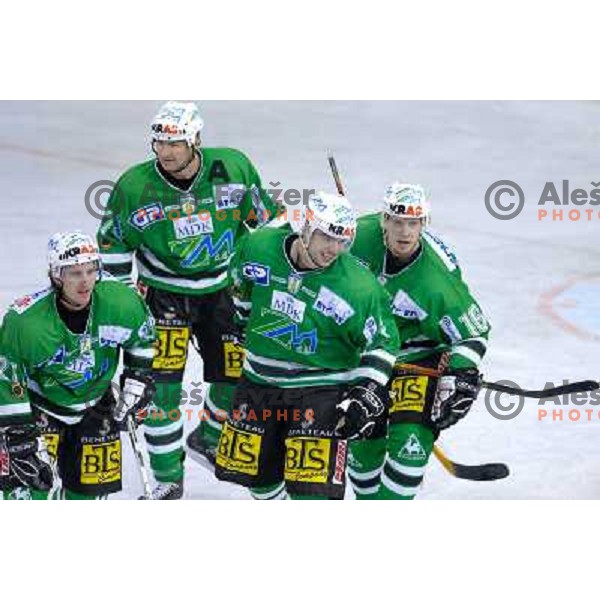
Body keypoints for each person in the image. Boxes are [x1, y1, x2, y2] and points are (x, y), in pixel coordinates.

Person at [97, 101, 277, 499]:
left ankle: (209, 435)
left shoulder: (232, 168)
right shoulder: (133, 186)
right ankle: (167, 478)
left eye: (175, 143)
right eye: (159, 142)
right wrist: (121, 302)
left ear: (196, 139)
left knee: (238, 377)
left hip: (224, 291)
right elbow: (111, 244)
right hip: (163, 297)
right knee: (160, 391)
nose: (165, 151)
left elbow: (267, 223)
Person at [214, 191, 400, 499]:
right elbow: (238, 284)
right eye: (327, 237)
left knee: (311, 493)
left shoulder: (359, 287)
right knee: (257, 481)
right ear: (305, 230)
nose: (334, 249)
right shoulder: (259, 246)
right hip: (259, 382)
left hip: (321, 389)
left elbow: (383, 341)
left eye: (343, 241)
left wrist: (368, 390)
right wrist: (240, 320)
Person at [347, 183, 491, 499]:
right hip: (368, 354)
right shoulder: (354, 238)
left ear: (424, 224)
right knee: (361, 442)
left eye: (413, 223)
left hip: (419, 357)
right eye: (397, 221)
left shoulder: (437, 283)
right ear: (383, 219)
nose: (404, 231)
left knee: (408, 441)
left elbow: (474, 333)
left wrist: (462, 372)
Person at [0, 231, 156, 500]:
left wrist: (138, 377)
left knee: (87, 500)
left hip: (95, 403)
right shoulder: (25, 323)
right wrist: (18, 436)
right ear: (56, 276)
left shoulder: (122, 302)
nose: (85, 281)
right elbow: (7, 377)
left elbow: (141, 337)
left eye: (90, 270)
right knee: (28, 495)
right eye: (74, 273)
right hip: (40, 406)